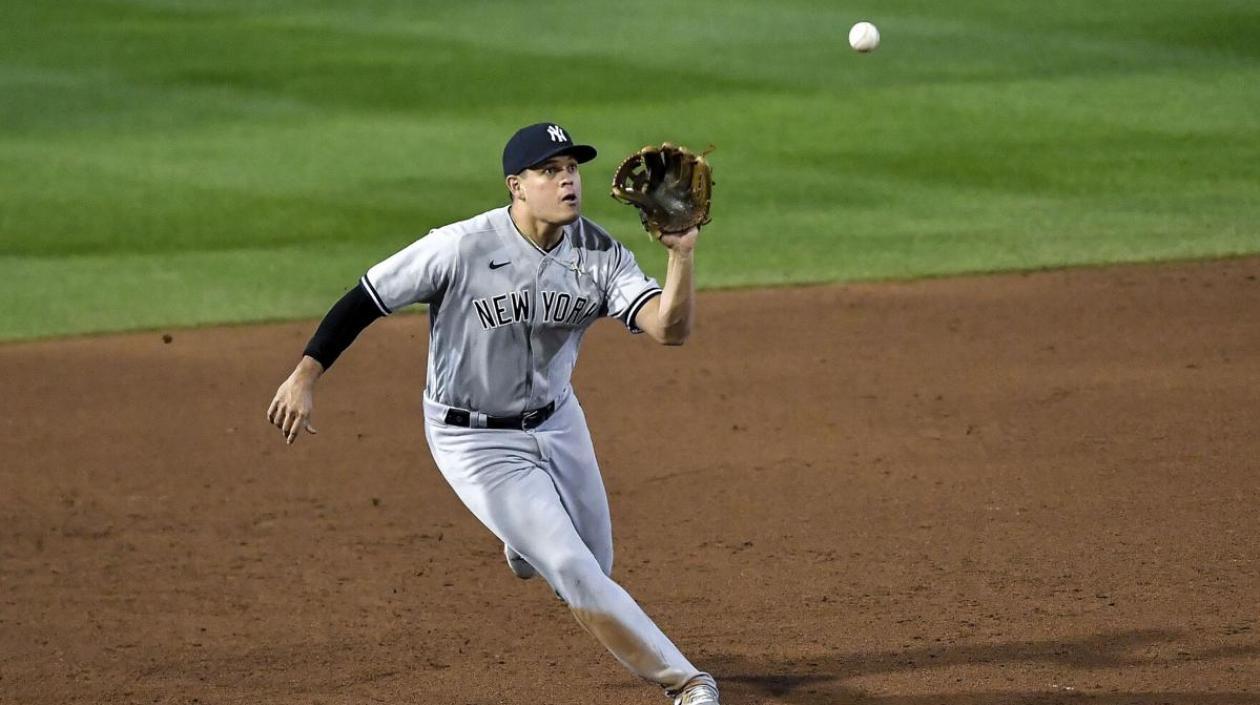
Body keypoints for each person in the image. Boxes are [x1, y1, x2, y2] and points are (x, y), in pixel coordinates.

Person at [266, 123, 721, 705]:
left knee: (593, 567)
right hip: (473, 439)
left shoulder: (601, 252)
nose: (567, 181)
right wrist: (306, 375)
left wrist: (681, 256)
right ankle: (686, 682)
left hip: (558, 422)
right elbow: (366, 297)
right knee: (572, 567)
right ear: (516, 186)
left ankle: (523, 539)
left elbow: (669, 330)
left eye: (572, 169)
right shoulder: (459, 246)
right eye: (549, 171)